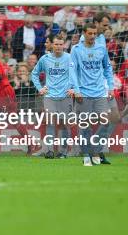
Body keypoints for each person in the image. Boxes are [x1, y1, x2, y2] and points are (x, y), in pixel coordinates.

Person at [71, 23, 114, 166]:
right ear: (84, 33)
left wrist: (111, 87)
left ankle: (95, 150)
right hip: (83, 92)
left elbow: (107, 68)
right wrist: (76, 90)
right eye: (89, 33)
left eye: (94, 33)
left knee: (106, 122)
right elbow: (72, 71)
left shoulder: (101, 48)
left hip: (100, 92)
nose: (92, 36)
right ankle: (86, 156)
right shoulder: (76, 50)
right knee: (85, 126)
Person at [31, 34, 78, 159]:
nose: (58, 47)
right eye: (56, 44)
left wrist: (74, 89)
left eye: (60, 44)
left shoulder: (69, 58)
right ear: (52, 45)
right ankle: (50, 151)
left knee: (63, 124)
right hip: (49, 96)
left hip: (65, 96)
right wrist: (40, 88)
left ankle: (63, 152)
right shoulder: (45, 59)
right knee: (50, 122)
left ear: (64, 45)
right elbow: (34, 74)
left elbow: (77, 75)